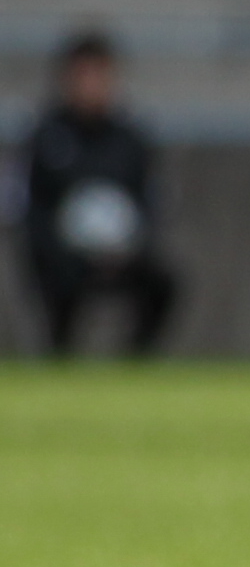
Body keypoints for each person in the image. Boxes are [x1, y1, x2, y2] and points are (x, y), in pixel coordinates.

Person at [20, 29, 179, 355]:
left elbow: (149, 201)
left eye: (100, 75)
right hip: (63, 254)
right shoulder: (48, 136)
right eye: (83, 75)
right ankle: (60, 356)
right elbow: (33, 207)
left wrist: (129, 245)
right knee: (55, 280)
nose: (91, 85)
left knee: (164, 281)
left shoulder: (129, 139)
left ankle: (137, 360)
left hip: (123, 253)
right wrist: (60, 246)